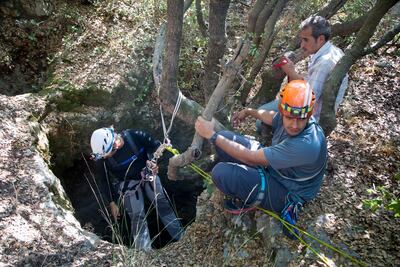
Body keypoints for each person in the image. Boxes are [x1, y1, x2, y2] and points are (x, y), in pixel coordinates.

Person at [195, 80, 327, 235]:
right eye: (289, 117)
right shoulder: (296, 115)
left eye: (301, 119)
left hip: (288, 190)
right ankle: (246, 181)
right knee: (224, 138)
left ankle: (248, 198)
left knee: (221, 173)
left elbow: (250, 158)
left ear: (308, 116)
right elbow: (272, 117)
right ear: (283, 111)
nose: (295, 125)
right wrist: (250, 111)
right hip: (279, 170)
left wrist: (210, 135)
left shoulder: (307, 145)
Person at [90, 127, 183, 251]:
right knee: (136, 215)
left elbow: (156, 146)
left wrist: (153, 161)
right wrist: (112, 202)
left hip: (147, 173)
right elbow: (104, 180)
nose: (106, 158)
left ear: (115, 145)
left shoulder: (134, 135)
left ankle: (181, 238)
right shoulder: (103, 159)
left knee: (162, 204)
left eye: (108, 154)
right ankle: (144, 253)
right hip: (127, 184)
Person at [258, 15, 348, 125]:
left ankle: (279, 137)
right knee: (262, 112)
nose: (302, 45)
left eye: (306, 40)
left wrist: (291, 73)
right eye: (302, 40)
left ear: (320, 39)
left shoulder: (325, 63)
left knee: (260, 119)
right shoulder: (333, 50)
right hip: (307, 110)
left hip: (307, 119)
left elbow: (308, 100)